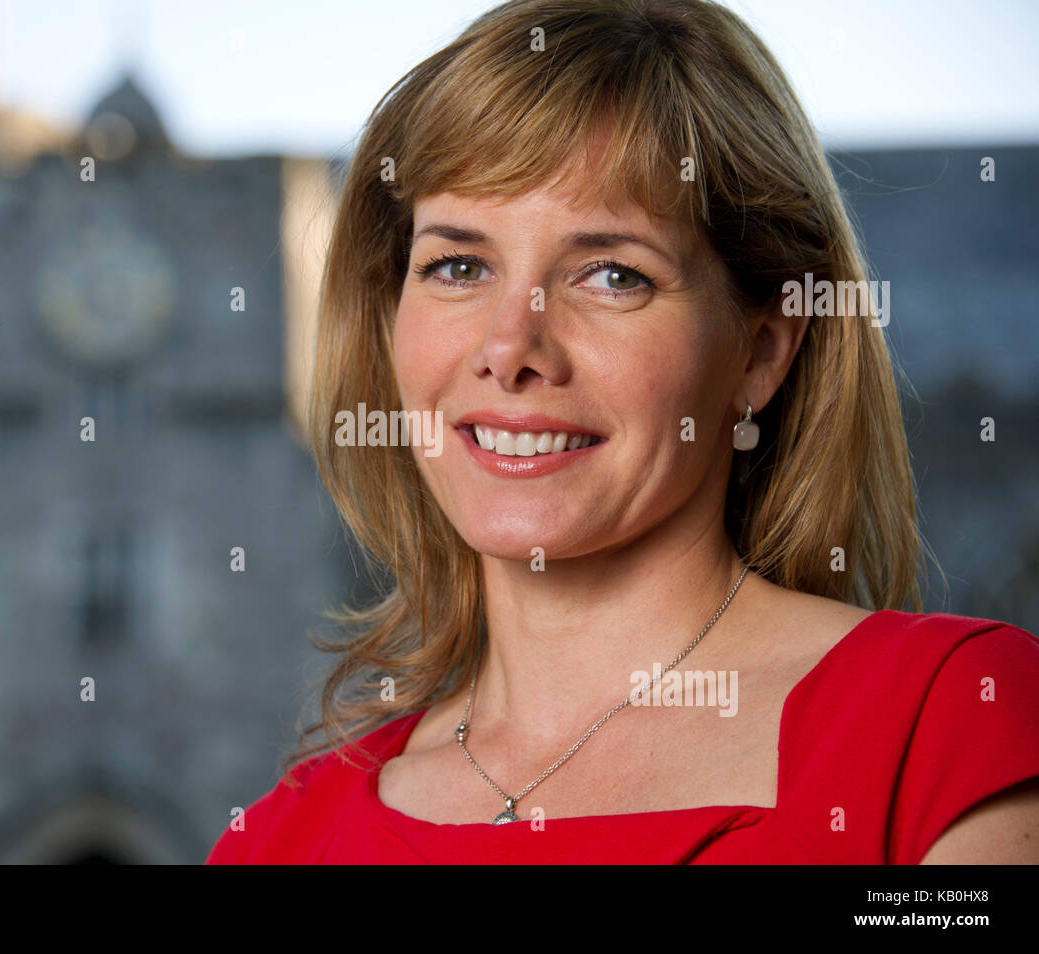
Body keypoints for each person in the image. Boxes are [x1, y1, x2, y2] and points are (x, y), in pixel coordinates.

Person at [207, 0, 1039, 863]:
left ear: (760, 349)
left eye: (612, 275)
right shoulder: (278, 839)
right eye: (458, 266)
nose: (509, 349)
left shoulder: (952, 736)